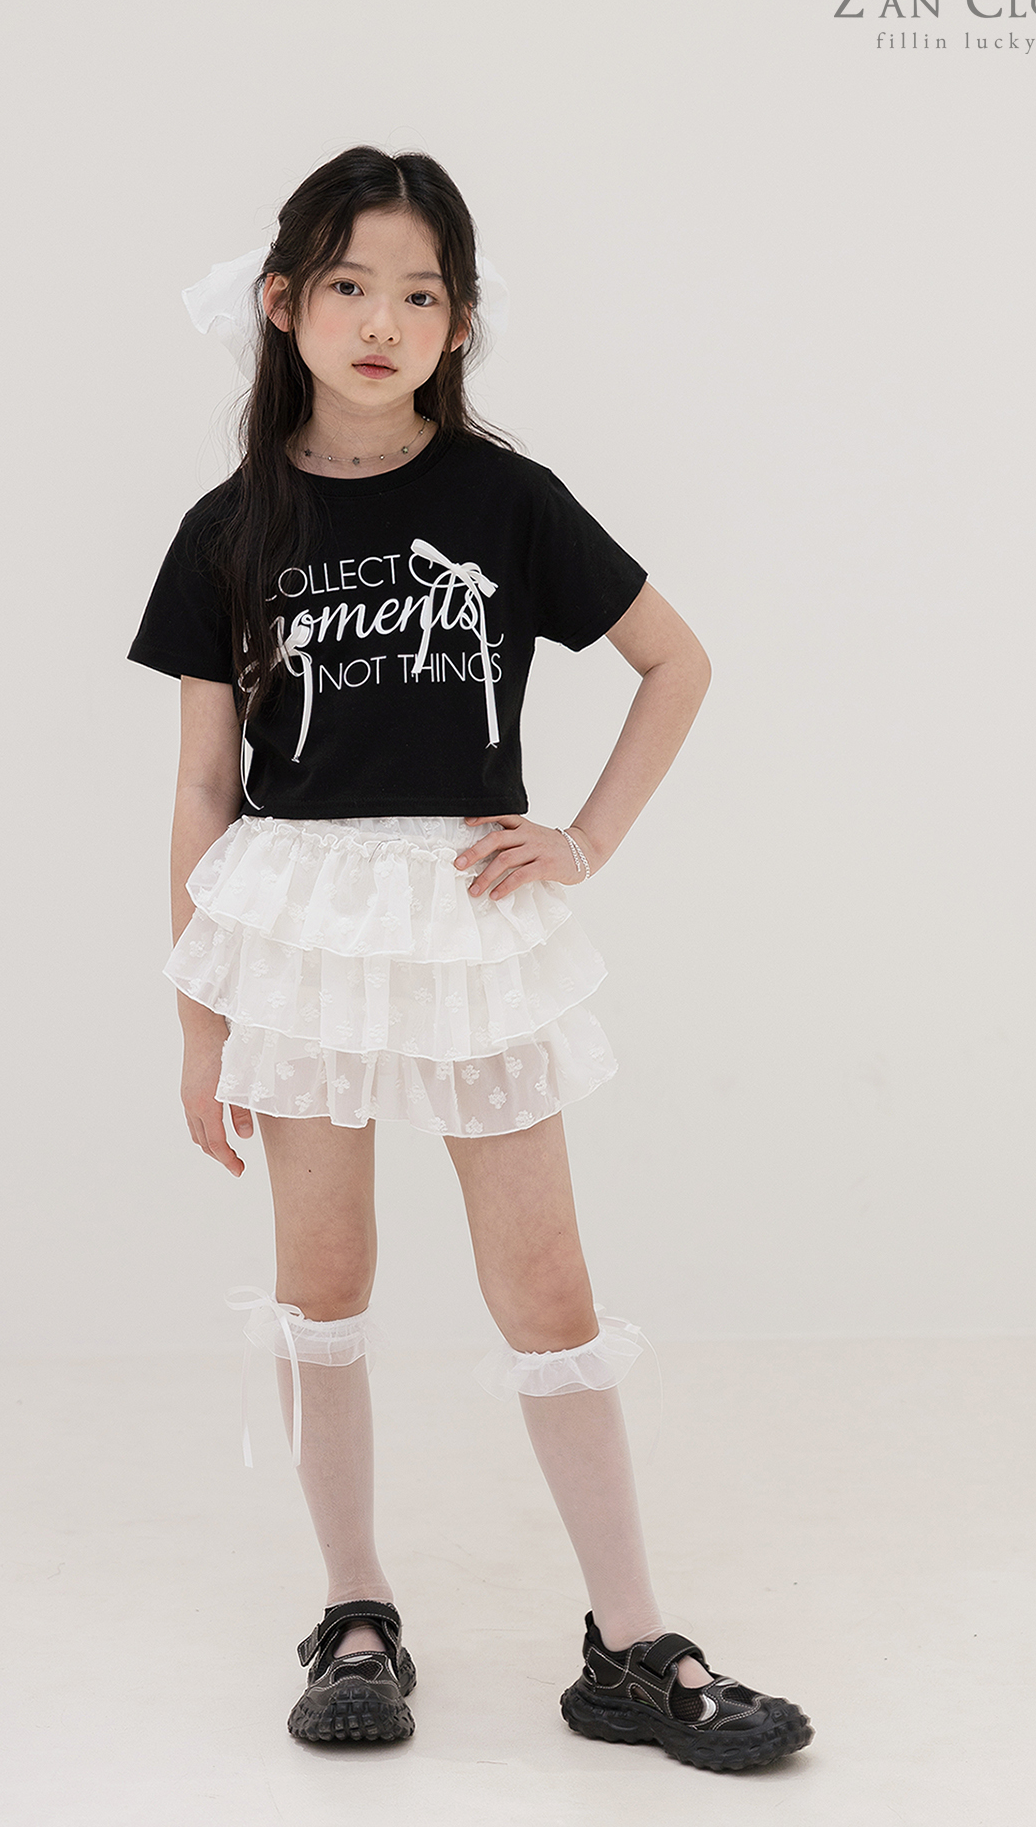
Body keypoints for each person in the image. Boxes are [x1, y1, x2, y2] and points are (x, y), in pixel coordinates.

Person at [128, 144, 812, 1774]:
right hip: (298, 930)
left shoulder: (507, 500)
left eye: (421, 294)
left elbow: (675, 661)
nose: (383, 321)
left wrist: (585, 839)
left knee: (547, 1288)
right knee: (324, 1282)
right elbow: (204, 788)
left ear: (459, 321)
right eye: (350, 286)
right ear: (284, 303)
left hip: (471, 919)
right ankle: (353, 1614)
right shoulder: (229, 527)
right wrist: (200, 1016)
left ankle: (632, 1645)